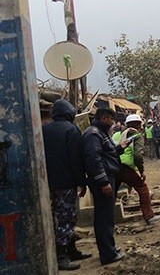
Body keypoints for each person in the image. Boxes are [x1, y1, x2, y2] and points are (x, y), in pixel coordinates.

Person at [42, 99, 91, 271]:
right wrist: (82, 182)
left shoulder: (44, 129)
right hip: (67, 182)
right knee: (67, 218)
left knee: (60, 215)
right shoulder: (71, 130)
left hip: (49, 182)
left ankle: (72, 250)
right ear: (69, 112)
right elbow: (75, 160)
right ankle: (61, 256)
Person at [82, 108, 126, 266]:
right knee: (104, 218)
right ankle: (108, 254)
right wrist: (103, 182)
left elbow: (106, 154)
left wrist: (119, 148)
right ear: (104, 118)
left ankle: (110, 248)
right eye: (111, 119)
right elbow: (93, 159)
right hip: (103, 180)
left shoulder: (100, 133)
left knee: (106, 217)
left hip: (107, 178)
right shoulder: (93, 134)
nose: (113, 122)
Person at [116, 114, 160, 225]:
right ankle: (149, 217)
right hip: (126, 167)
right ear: (139, 124)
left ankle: (107, 221)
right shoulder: (137, 136)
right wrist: (141, 171)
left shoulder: (118, 134)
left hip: (114, 166)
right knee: (143, 189)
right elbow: (137, 155)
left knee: (112, 194)